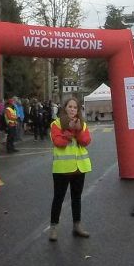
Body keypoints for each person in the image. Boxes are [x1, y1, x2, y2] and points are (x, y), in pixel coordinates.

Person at [48, 97, 92, 242]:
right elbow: (58, 142)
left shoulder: (83, 124)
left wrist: (78, 131)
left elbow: (86, 141)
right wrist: (70, 132)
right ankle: (54, 228)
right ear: (64, 108)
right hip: (62, 168)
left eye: (75, 107)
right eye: (70, 107)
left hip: (79, 168)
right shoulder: (56, 124)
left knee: (76, 198)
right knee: (58, 198)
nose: (73, 110)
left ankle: (77, 225)